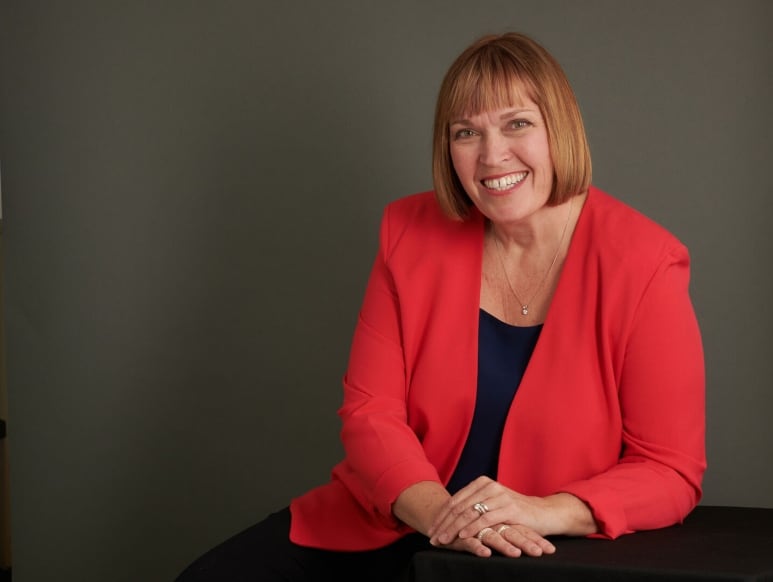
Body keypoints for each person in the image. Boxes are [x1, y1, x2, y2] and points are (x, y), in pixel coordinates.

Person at [176, 31, 705, 581]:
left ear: (560, 129)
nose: (491, 154)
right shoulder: (408, 234)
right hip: (401, 519)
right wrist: (446, 518)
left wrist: (545, 512)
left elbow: (670, 468)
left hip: (546, 547)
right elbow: (370, 416)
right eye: (466, 132)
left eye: (517, 123)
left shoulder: (645, 262)